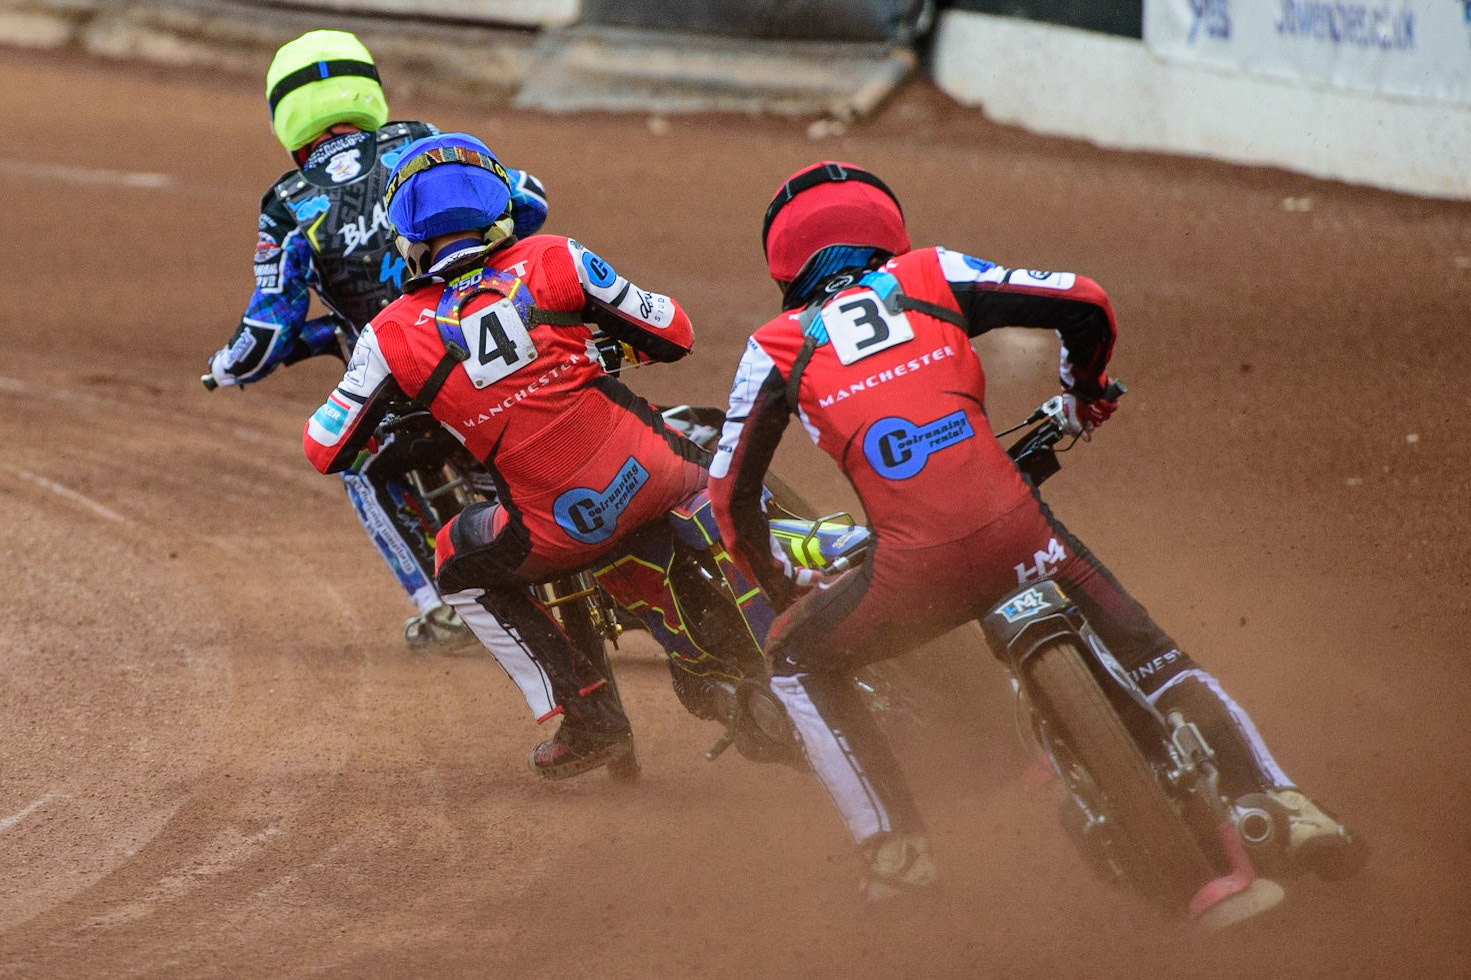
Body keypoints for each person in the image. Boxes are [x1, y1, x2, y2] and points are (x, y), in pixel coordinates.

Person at [707, 161, 1366, 901]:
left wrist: (780, 586)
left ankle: (897, 851)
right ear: (886, 230)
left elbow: (730, 496)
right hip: (1023, 541)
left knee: (796, 657)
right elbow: (1085, 301)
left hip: (909, 578)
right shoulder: (931, 273)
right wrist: (1083, 393)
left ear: (785, 264)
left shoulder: (773, 346)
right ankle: (1279, 800)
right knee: (1154, 659)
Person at [303, 132, 708, 778]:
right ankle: (799, 566)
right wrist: (592, 350)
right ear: (499, 205)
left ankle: (586, 715)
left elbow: (324, 447)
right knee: (717, 439)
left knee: (454, 561)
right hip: (663, 473)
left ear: (406, 238)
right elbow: (675, 332)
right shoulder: (556, 255)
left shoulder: (390, 333)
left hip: (556, 530)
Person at [206, 29, 550, 651]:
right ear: (368, 87)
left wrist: (227, 366)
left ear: (285, 114)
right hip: (495, 337)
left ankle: (443, 609)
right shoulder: (420, 141)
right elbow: (529, 199)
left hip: (409, 380)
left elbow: (269, 330)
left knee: (362, 466)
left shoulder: (288, 205)